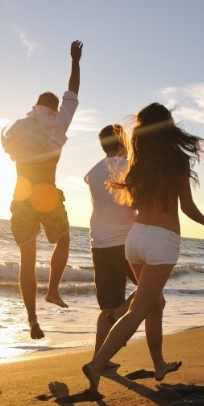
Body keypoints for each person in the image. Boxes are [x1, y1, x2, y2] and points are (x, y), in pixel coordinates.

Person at [82, 103, 204, 394]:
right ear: (168, 126)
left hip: (135, 239)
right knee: (137, 310)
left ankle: (158, 365)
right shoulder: (177, 160)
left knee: (154, 304)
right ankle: (96, 364)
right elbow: (186, 206)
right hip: (162, 240)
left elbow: (133, 203)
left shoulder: (136, 161)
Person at [0, 40, 83, 340]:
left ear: (36, 105)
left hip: (21, 197)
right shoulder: (58, 123)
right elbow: (72, 93)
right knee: (63, 240)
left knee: (27, 260)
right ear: (54, 107)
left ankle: (32, 319)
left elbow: (8, 147)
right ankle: (52, 290)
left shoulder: (20, 127)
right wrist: (75, 61)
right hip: (46, 195)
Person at [84, 125, 138, 365]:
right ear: (122, 143)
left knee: (106, 306)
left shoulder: (93, 172)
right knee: (152, 289)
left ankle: (100, 358)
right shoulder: (128, 168)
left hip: (98, 244)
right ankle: (119, 314)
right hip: (124, 242)